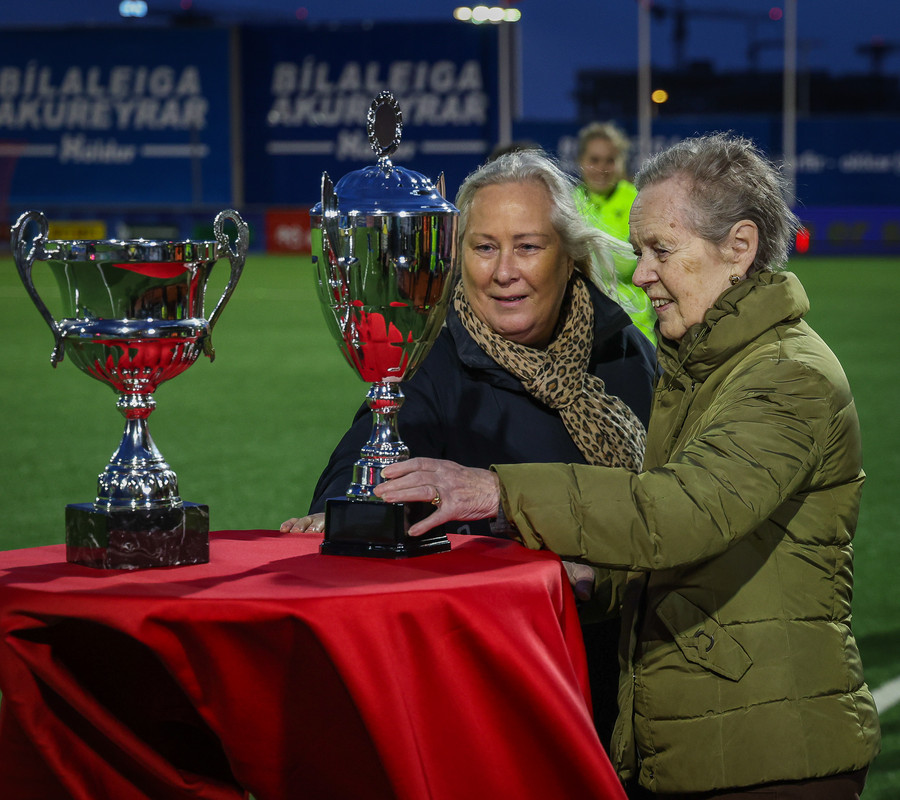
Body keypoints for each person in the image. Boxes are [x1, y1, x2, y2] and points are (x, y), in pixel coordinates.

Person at [372, 133, 882, 798]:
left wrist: (499, 490)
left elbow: (680, 513)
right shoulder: (704, 367)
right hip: (711, 742)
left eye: (661, 251)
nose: (641, 274)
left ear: (739, 247)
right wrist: (581, 578)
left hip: (770, 757)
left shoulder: (785, 375)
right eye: (640, 252)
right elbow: (687, 560)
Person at [282, 149, 657, 748]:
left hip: (632, 682)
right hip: (492, 692)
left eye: (527, 246)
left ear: (569, 257)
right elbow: (366, 457)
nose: (503, 271)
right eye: (484, 247)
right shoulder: (430, 358)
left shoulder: (626, 353)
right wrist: (344, 510)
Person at [574, 121, 656, 344]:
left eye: (610, 160)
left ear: (621, 162)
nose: (602, 168)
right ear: (580, 161)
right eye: (594, 160)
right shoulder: (567, 204)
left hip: (637, 330)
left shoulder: (640, 201)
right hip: (583, 332)